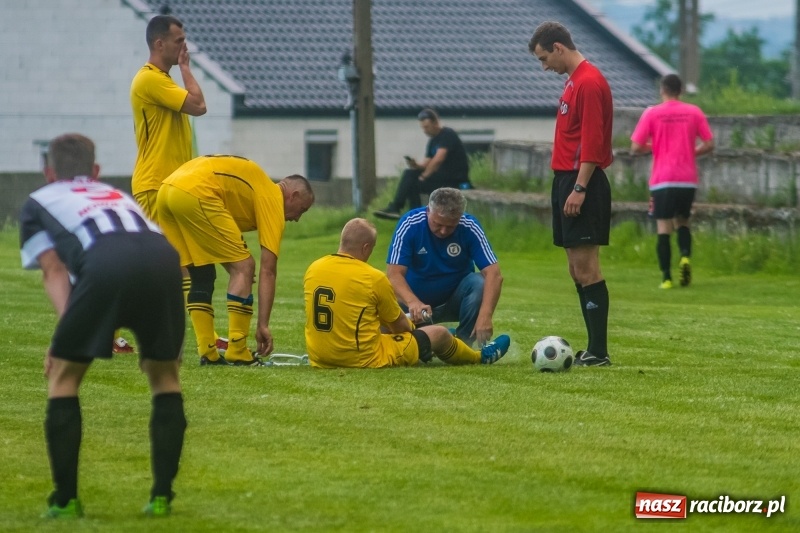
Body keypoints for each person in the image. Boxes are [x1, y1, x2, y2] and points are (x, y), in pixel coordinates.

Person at [19, 134, 186, 518]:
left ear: (48, 173)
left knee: (64, 377)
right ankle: (162, 497)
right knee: (165, 377)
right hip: (164, 260)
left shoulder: (39, 201)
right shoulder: (116, 195)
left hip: (105, 262)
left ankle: (66, 500)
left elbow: (54, 269)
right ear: (95, 171)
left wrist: (63, 337)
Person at [157, 155, 315, 366]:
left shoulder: (256, 188)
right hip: (196, 191)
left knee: (201, 272)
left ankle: (208, 353)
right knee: (245, 267)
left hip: (167, 191)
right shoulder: (272, 198)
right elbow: (268, 270)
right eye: (302, 210)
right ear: (293, 195)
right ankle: (238, 351)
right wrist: (263, 325)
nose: (297, 218)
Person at [303, 218, 510, 368]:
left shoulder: (314, 268)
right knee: (439, 334)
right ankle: (478, 357)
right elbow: (400, 326)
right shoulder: (372, 277)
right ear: (366, 248)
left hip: (319, 356)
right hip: (361, 357)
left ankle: (450, 340)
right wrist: (424, 330)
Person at [528, 21, 613, 367]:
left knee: (587, 268)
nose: (545, 66)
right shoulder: (573, 82)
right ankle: (593, 349)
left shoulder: (589, 82)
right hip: (566, 180)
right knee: (576, 270)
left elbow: (592, 142)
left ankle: (599, 352)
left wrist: (580, 187)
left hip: (582, 183)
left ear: (559, 48)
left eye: (544, 58)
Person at [127, 14, 207, 354]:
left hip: (172, 186)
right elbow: (198, 105)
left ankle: (195, 335)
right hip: (155, 184)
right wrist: (187, 69)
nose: (184, 47)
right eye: (179, 41)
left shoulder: (163, 81)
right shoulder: (149, 79)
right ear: (159, 44)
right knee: (172, 267)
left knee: (179, 265)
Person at [385, 187, 503, 348]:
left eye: (451, 226)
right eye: (438, 224)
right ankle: (427, 339)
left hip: (452, 302)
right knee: (385, 330)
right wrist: (413, 302)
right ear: (428, 210)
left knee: (479, 282)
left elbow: (494, 275)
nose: (443, 231)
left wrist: (485, 316)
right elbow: (393, 275)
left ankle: (463, 344)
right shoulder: (410, 223)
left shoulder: (470, 226)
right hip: (413, 306)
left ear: (460, 217)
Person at [630, 74, 715, 289]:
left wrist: (655, 147)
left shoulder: (652, 113)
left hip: (662, 179)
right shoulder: (694, 112)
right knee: (683, 221)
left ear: (662, 90)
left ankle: (666, 277)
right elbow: (709, 143)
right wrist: (691, 152)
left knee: (663, 226)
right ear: (681, 91)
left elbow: (636, 147)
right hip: (687, 179)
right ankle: (685, 257)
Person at [374, 108, 472, 220]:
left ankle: (408, 211)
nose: (425, 130)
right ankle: (410, 212)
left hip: (454, 179)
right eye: (423, 128)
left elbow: (438, 159)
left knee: (414, 182)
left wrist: (424, 176)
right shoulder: (433, 141)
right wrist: (416, 165)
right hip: (441, 177)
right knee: (410, 174)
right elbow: (427, 163)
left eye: (427, 127)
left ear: (435, 123)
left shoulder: (448, 135)